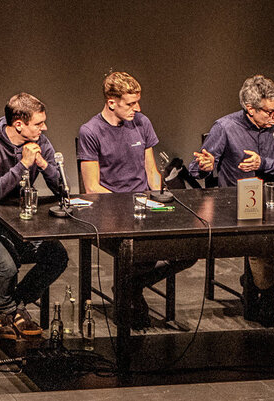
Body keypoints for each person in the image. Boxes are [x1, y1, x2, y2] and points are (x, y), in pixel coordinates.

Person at [77, 71, 196, 330]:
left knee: (189, 248)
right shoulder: (91, 131)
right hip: (111, 211)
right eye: (130, 104)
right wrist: (129, 205)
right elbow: (92, 186)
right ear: (111, 102)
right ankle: (130, 291)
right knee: (140, 248)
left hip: (145, 207)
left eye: (137, 102)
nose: (137, 108)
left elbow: (151, 172)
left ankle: (129, 285)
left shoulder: (141, 123)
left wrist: (160, 199)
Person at [189, 74, 274, 327]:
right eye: (269, 112)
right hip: (237, 205)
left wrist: (263, 163)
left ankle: (256, 281)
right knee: (260, 246)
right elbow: (196, 168)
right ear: (250, 109)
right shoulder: (225, 127)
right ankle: (265, 294)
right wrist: (206, 166)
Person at [0, 93, 69, 340]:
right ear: (19, 124)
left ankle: (14, 306)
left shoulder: (41, 142)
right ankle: (4, 313)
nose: (44, 128)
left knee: (57, 255)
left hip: (18, 222)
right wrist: (22, 165)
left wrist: (42, 164)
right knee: (7, 264)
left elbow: (63, 189)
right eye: (39, 123)